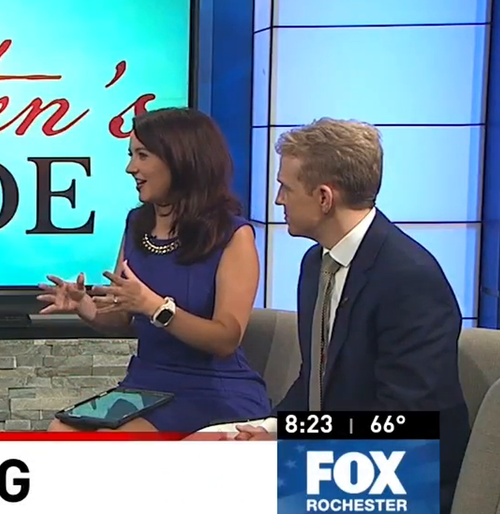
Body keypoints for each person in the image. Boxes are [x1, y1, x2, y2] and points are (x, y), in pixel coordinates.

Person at [234, 118, 469, 512]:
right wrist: (272, 429)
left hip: (398, 468)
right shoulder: (316, 265)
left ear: (324, 198)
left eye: (286, 188)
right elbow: (316, 380)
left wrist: (291, 446)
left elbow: (404, 419)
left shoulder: (409, 279)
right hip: (337, 454)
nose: (278, 200)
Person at [39, 107, 269, 433]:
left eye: (142, 155)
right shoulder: (137, 223)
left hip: (212, 389)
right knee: (60, 431)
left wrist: (156, 308)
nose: (131, 167)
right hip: (146, 384)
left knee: (116, 442)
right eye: (131, 155)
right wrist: (84, 306)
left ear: (180, 159)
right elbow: (121, 317)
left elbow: (226, 339)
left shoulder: (233, 235)